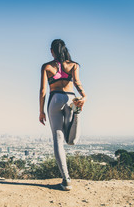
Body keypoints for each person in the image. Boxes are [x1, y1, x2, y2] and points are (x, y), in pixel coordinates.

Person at [39, 39, 87, 191]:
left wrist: (41, 111)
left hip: (54, 99)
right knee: (71, 141)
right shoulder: (73, 65)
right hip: (70, 98)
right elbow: (77, 82)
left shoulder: (47, 67)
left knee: (58, 140)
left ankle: (66, 180)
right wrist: (84, 96)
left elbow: (43, 91)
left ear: (52, 51)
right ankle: (77, 114)